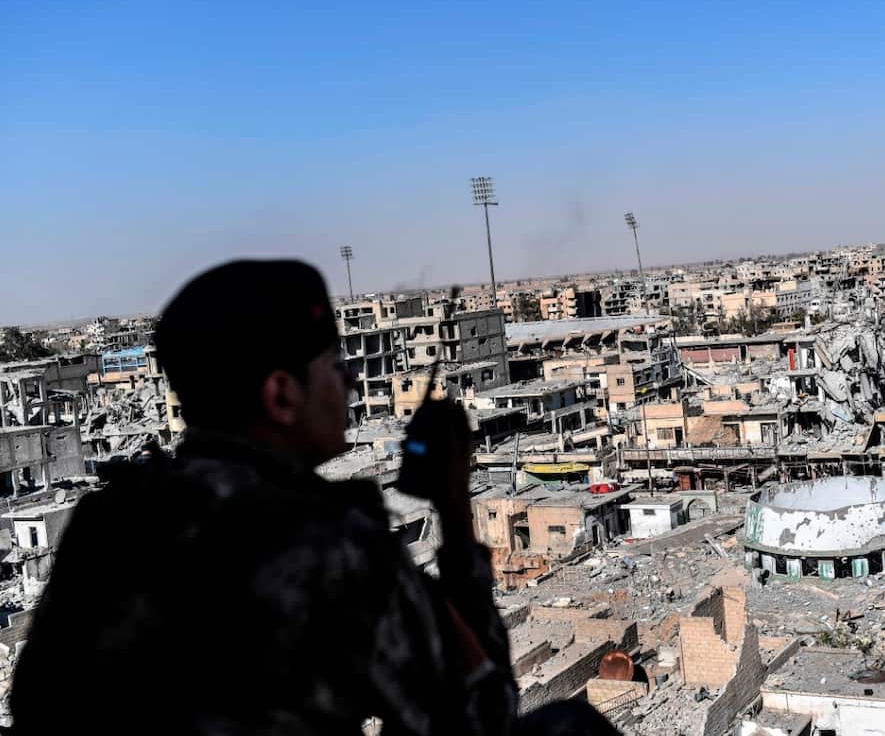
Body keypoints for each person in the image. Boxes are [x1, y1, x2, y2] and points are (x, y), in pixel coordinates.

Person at [11, 260, 616, 736]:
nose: (349, 380)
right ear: (281, 395)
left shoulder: (105, 523)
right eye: (332, 364)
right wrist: (455, 511)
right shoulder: (325, 541)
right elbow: (483, 711)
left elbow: (35, 704)